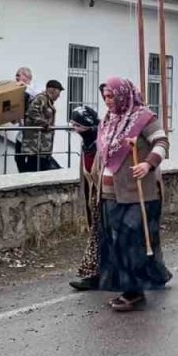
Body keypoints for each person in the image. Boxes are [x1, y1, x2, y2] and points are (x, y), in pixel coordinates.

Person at [96, 77, 172, 311]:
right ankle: (152, 277)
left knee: (131, 242)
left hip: (136, 193)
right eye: (105, 97)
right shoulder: (109, 120)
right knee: (114, 241)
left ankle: (134, 292)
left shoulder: (143, 118)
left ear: (122, 95)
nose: (108, 101)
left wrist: (148, 164)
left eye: (111, 96)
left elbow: (162, 142)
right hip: (109, 193)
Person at [68, 102, 102, 291]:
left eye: (77, 126)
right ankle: (96, 275)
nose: (75, 130)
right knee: (96, 235)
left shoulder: (103, 143)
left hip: (108, 197)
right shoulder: (87, 144)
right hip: (93, 198)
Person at [20, 79, 64, 172]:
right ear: (53, 90)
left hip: (42, 146)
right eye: (58, 92)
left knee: (41, 168)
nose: (59, 96)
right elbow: (32, 112)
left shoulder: (47, 101)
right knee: (35, 167)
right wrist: (44, 124)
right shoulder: (41, 98)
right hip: (35, 146)